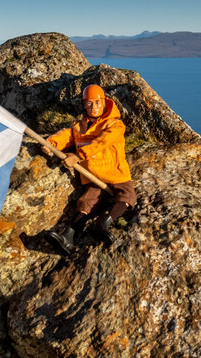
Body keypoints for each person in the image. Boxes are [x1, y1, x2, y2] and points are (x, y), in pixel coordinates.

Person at [42, 84, 137, 255]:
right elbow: (66, 135)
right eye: (89, 103)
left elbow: (101, 143)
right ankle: (68, 237)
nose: (94, 107)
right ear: (84, 104)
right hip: (92, 175)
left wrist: (78, 156)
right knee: (86, 202)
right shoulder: (79, 126)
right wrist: (51, 143)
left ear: (104, 103)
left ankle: (103, 223)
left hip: (114, 172)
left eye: (97, 103)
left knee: (127, 195)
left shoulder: (115, 125)